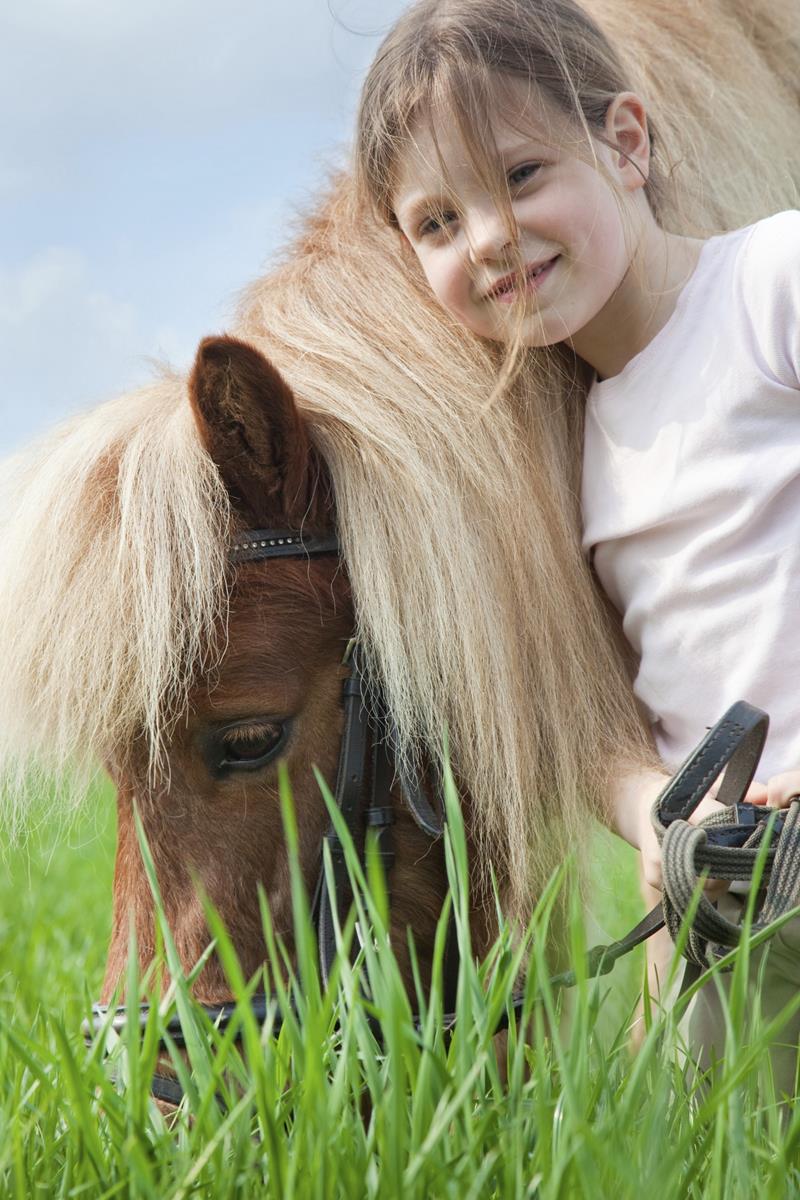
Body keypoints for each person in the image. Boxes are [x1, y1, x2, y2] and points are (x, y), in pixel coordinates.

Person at [354, 0, 800, 1090]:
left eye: (517, 175)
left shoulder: (767, 284)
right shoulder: (569, 452)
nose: (490, 238)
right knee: (714, 1145)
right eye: (437, 223)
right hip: (728, 878)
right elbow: (598, 721)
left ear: (626, 143)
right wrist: (656, 818)